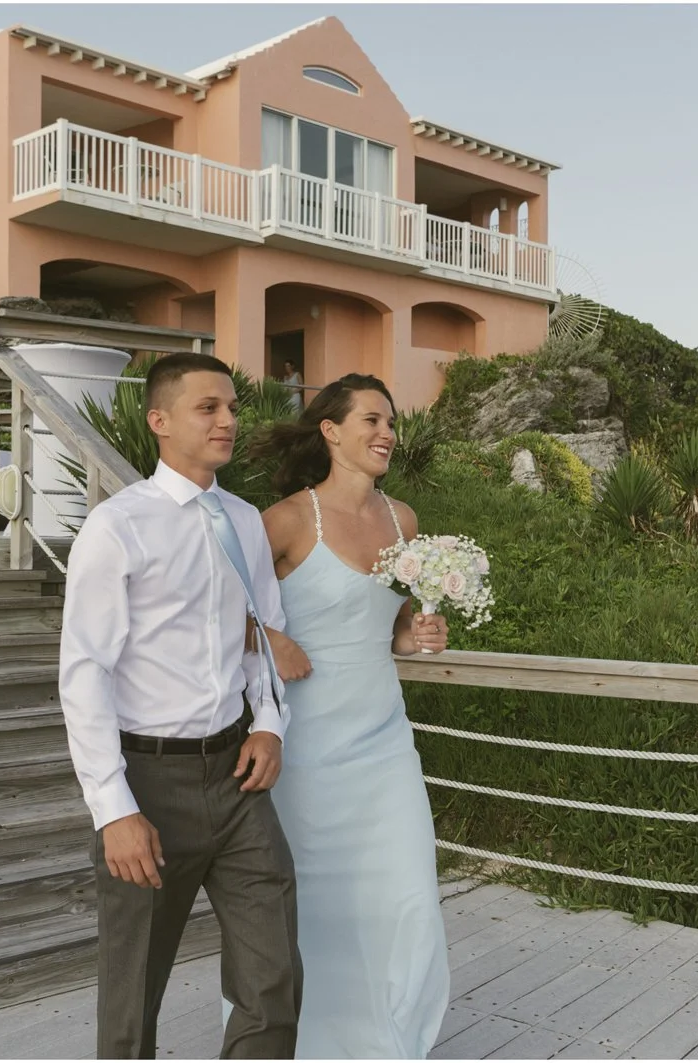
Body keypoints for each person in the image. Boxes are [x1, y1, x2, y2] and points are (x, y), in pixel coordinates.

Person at [58, 352, 314, 1058]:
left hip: (236, 777)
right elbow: (84, 673)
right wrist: (114, 809)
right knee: (132, 998)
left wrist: (268, 724)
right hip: (148, 780)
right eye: (209, 407)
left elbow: (262, 631)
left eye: (232, 406)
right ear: (160, 421)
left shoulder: (243, 521)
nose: (229, 419)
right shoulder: (119, 527)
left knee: (272, 979)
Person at [238, 373, 449, 1058]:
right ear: (330, 430)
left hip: (384, 740)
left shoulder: (404, 520)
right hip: (304, 748)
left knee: (410, 894)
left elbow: (386, 629)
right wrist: (270, 636)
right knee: (314, 910)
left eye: (391, 421)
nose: (387, 432)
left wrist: (414, 636)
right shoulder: (288, 520)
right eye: (371, 419)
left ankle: (393, 1043)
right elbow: (212, 609)